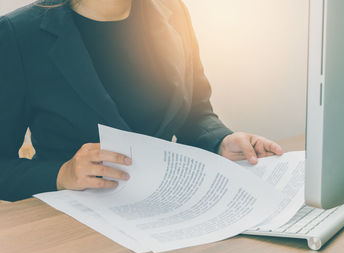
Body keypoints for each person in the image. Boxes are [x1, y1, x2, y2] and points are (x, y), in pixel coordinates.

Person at [0, 0, 283, 201]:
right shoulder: (17, 33)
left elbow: (195, 112)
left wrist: (221, 140)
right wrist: (61, 174)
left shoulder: (173, 10)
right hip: (74, 228)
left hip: (162, 206)